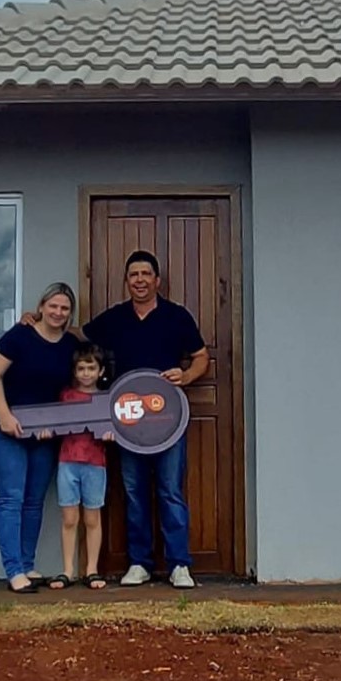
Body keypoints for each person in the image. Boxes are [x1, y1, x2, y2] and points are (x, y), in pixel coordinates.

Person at [84, 250, 208, 588]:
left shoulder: (176, 316)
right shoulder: (115, 318)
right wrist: (36, 321)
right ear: (127, 282)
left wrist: (187, 375)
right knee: (134, 492)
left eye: (145, 274)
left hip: (169, 418)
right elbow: (79, 338)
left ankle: (179, 564)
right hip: (127, 421)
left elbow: (201, 357)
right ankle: (139, 563)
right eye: (133, 275)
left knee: (170, 491)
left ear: (157, 280)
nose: (139, 280)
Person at [0, 282, 79, 592]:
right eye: (53, 306)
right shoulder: (20, 336)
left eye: (64, 308)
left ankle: (27, 564)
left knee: (34, 501)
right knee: (11, 498)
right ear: (41, 307)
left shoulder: (70, 345)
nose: (58, 312)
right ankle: (14, 571)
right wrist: (4, 415)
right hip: (6, 429)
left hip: (44, 433)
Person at [48, 344, 112, 590]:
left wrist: (111, 434)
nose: (86, 373)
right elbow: (52, 421)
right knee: (69, 518)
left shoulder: (106, 399)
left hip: (95, 464)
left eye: (91, 368)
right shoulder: (65, 396)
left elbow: (116, 427)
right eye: (81, 368)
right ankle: (67, 570)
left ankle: (91, 570)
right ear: (75, 371)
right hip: (67, 462)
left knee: (92, 518)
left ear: (100, 371)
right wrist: (46, 430)